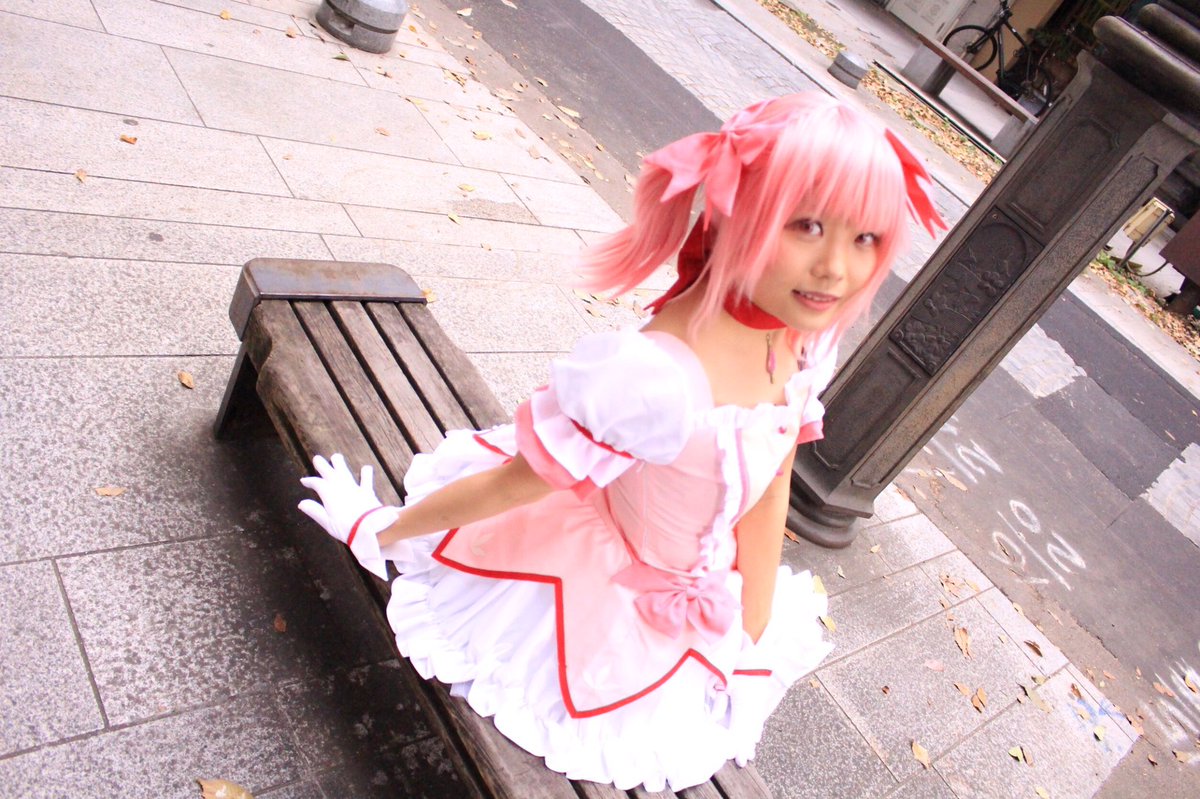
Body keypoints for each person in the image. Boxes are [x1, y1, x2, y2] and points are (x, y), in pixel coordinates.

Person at [298, 92, 944, 792]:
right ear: (736, 213)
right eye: (808, 225)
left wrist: (749, 642)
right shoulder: (654, 377)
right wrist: (382, 529)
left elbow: (771, 484)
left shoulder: (802, 339)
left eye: (865, 238)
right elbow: (516, 483)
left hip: (703, 594)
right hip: (597, 596)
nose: (836, 269)